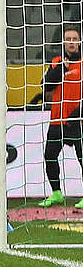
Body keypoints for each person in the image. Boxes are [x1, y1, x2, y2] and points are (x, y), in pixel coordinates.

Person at [39, 27, 83, 208]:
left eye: (75, 39)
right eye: (68, 39)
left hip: (77, 119)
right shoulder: (56, 62)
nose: (71, 42)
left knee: (82, 158)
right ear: (63, 42)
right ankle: (56, 193)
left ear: (79, 42)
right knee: (49, 155)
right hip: (57, 119)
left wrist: (78, 114)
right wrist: (61, 69)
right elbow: (45, 85)